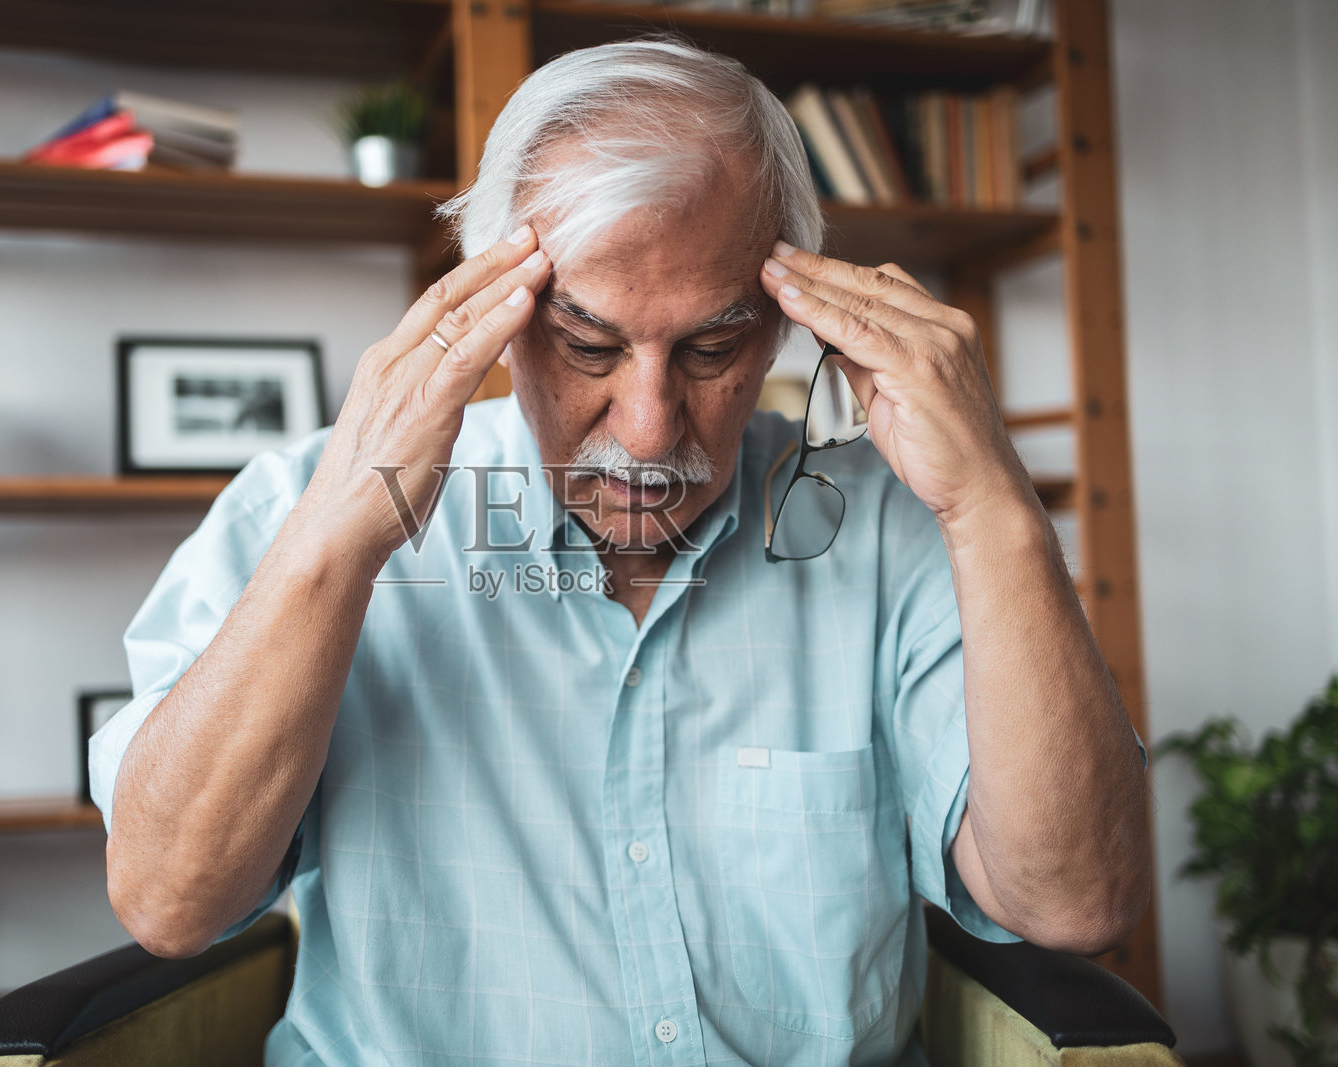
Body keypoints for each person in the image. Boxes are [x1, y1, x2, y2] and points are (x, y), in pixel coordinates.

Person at [89, 36, 1151, 1067]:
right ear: (492, 312)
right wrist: (336, 545)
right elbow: (172, 901)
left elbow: (1075, 899)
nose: (648, 426)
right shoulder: (301, 505)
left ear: (784, 323)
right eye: (588, 343)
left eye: (712, 346)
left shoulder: (888, 520)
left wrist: (995, 511)